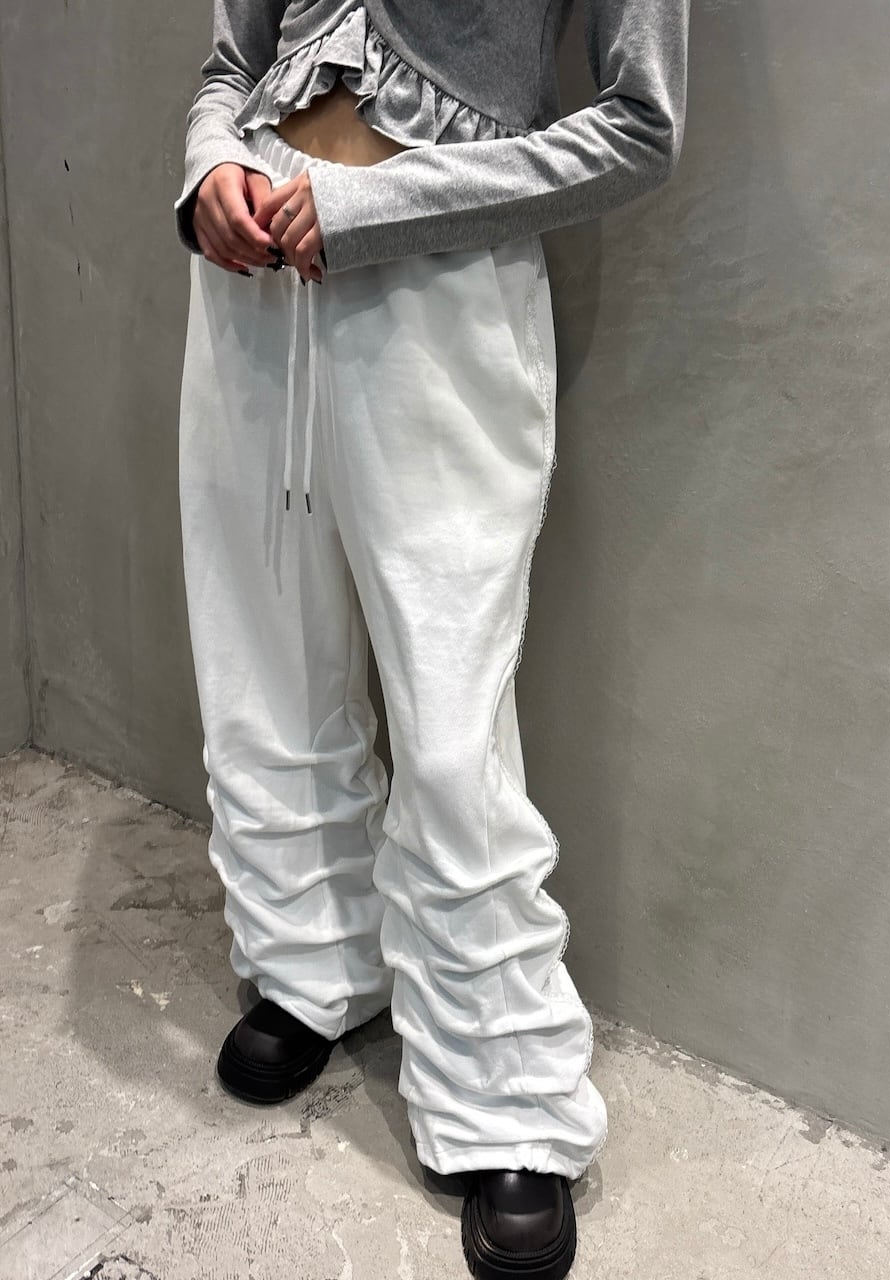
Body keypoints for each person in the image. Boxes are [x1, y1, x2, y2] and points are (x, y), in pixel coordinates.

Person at [173, 1, 689, 1275]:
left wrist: (377, 208)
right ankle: (311, 963)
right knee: (261, 662)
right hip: (250, 281)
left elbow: (641, 126)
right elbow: (235, 61)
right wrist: (207, 165)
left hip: (439, 283)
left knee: (452, 718)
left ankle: (504, 1093)